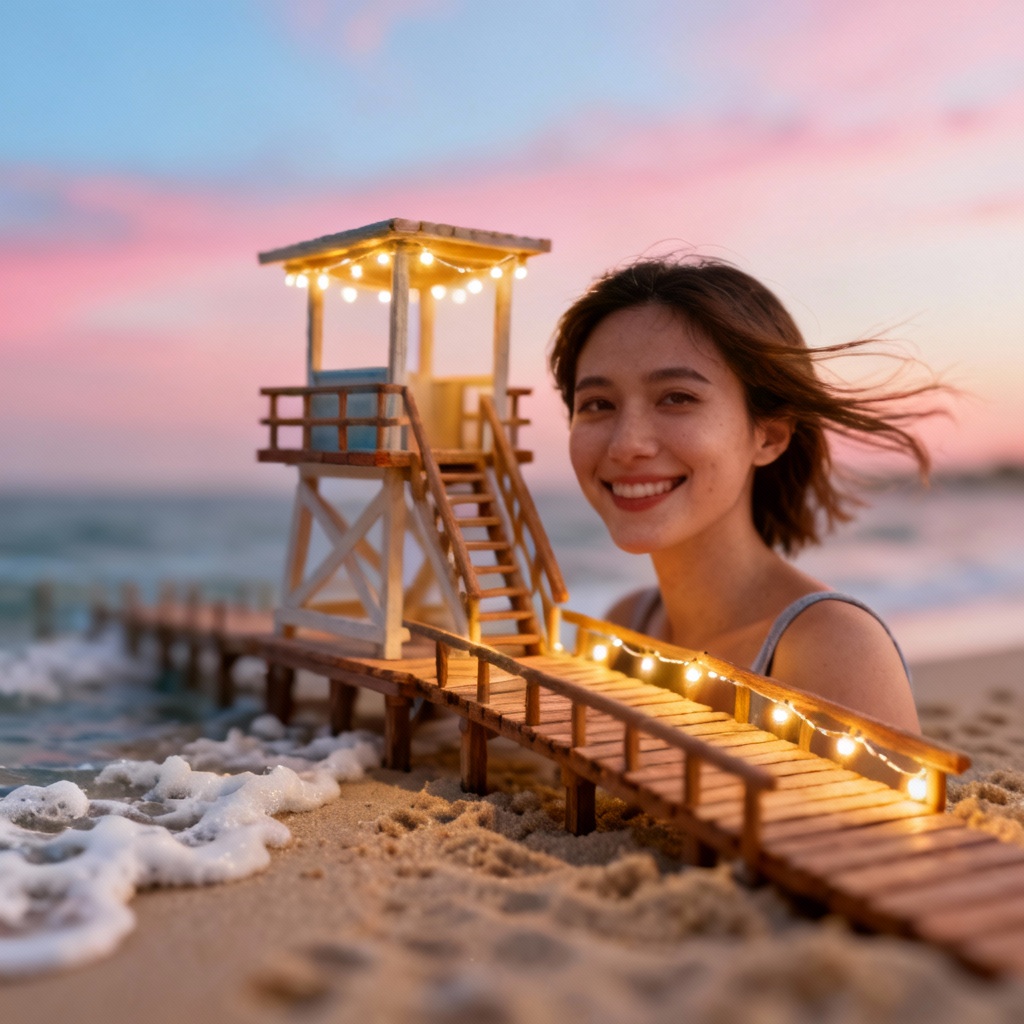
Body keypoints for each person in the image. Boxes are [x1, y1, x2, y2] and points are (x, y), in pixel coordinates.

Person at [549, 256, 945, 733]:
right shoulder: (627, 626)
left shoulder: (831, 647)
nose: (627, 444)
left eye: (677, 397)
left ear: (770, 436)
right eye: (597, 404)